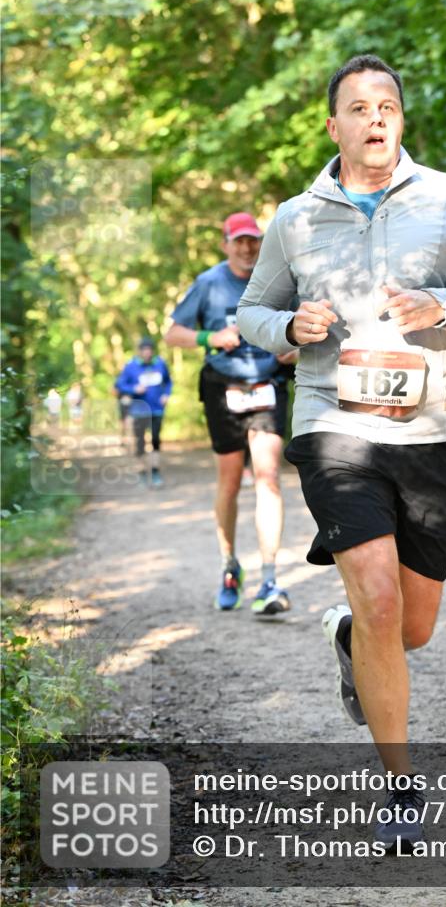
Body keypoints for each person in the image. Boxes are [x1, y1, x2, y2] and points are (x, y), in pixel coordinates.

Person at [236, 54, 446, 847]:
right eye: (356, 107)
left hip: (428, 428)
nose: (373, 117)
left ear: (400, 119)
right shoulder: (296, 217)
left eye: (385, 104)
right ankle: (400, 786)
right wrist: (290, 328)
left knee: (412, 627)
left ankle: (348, 637)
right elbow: (253, 312)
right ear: (334, 127)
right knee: (380, 599)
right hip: (333, 423)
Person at [165, 212, 295, 617]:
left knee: (268, 478)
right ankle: (229, 565)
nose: (246, 247)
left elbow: (303, 330)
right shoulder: (208, 283)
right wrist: (210, 337)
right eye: (238, 241)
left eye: (253, 240)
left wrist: (293, 348)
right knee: (229, 481)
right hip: (222, 389)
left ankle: (270, 577)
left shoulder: (280, 280)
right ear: (225, 244)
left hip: (267, 386)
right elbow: (173, 333)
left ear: (261, 242)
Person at [115, 337, 172, 488]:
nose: (147, 353)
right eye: (144, 350)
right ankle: (141, 472)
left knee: (155, 440)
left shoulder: (160, 363)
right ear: (139, 351)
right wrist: (134, 389)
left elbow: (168, 382)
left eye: (149, 350)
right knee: (140, 442)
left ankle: (155, 471)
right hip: (139, 410)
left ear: (152, 351)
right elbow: (120, 384)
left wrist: (166, 394)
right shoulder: (131, 366)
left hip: (157, 409)